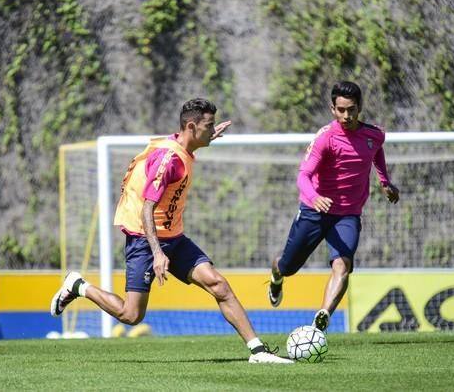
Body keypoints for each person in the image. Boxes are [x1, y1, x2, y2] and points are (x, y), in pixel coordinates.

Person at [51, 98, 292, 363]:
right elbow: (146, 208)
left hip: (173, 237)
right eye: (209, 126)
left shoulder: (182, 146)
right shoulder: (170, 160)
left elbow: (185, 145)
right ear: (191, 126)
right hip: (145, 239)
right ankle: (79, 286)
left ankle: (257, 351)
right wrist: (157, 253)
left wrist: (207, 137)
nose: (213, 130)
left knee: (218, 284)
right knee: (132, 315)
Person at [268, 81, 400, 332]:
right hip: (314, 211)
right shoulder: (325, 138)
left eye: (351, 109)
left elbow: (376, 152)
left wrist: (385, 181)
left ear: (359, 108)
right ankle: (276, 275)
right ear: (332, 109)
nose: (346, 116)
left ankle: (321, 320)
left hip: (347, 215)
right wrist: (315, 197)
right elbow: (302, 176)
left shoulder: (374, 135)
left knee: (343, 266)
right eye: (341, 110)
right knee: (288, 266)